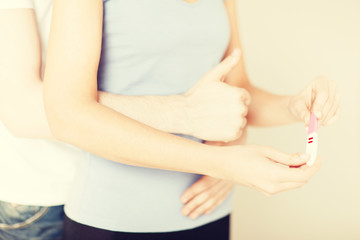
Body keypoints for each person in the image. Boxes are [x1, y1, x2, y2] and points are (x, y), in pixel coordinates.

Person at [43, 0, 339, 239]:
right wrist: (223, 163)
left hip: (211, 210)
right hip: (117, 218)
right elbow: (67, 114)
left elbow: (239, 93)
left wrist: (294, 105)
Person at [0, 0, 251, 239]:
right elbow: (23, 111)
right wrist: (187, 116)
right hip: (43, 197)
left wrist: (228, 147)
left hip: (133, 179)